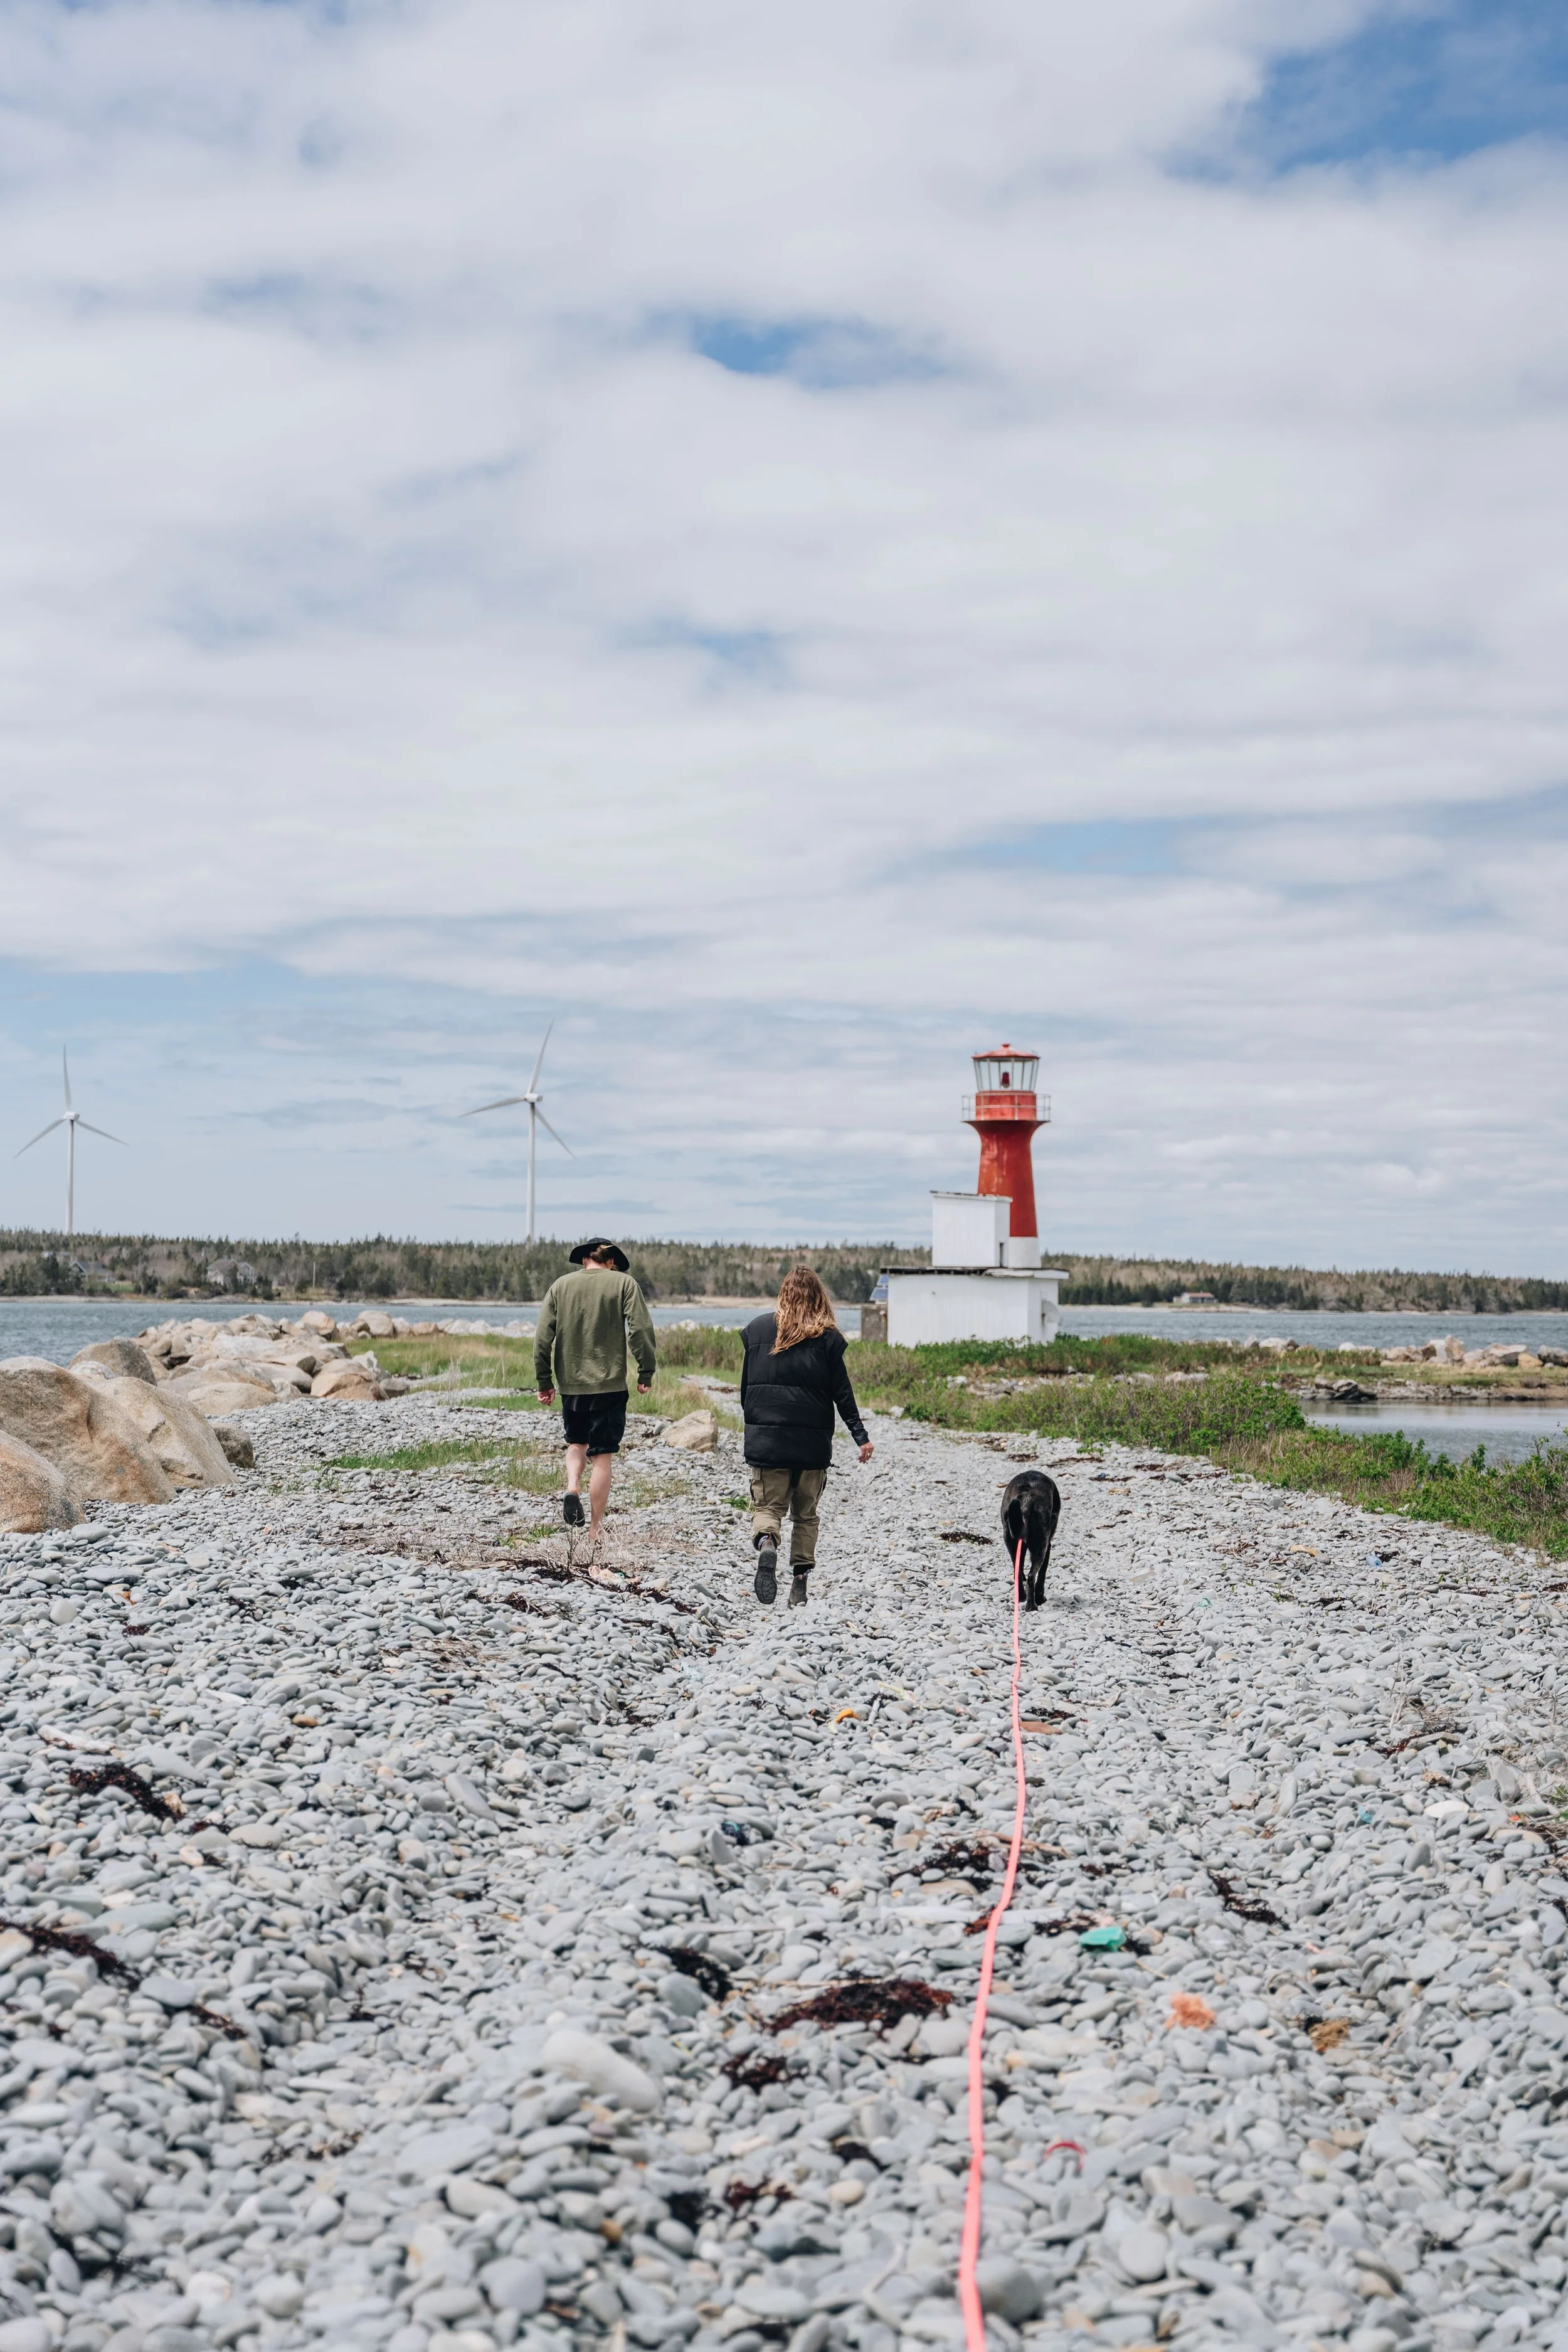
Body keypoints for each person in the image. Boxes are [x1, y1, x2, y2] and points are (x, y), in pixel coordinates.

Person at [741, 1265, 872, 1608]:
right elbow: (843, 1394)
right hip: (812, 1447)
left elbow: (746, 1392)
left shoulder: (756, 1330)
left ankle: (768, 1543)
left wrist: (756, 1428)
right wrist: (861, 1437)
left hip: (767, 1443)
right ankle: (799, 1582)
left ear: (784, 1292)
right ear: (819, 1296)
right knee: (806, 1516)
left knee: (768, 1506)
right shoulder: (828, 1339)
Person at [534, 1237, 657, 1543]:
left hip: (571, 1385)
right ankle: (595, 1529)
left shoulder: (560, 1286)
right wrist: (646, 1370)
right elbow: (640, 1330)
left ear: (584, 1259)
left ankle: (572, 1486)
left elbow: (541, 1339)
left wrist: (544, 1381)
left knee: (576, 1443)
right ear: (612, 1261)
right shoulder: (624, 1284)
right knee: (602, 1456)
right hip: (610, 1384)